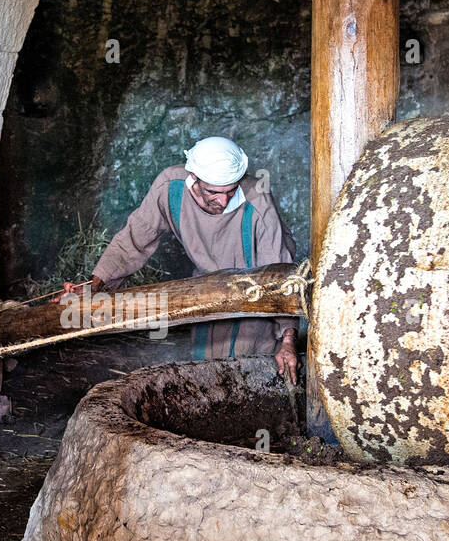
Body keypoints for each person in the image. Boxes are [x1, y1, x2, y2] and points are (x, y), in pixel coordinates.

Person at [60, 136, 298, 381]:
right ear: (194, 179)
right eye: (214, 192)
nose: (224, 200)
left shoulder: (258, 202)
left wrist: (288, 339)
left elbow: (280, 276)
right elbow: (134, 238)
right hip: (206, 288)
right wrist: (94, 286)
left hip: (255, 296)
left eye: (231, 190)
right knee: (204, 370)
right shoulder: (169, 187)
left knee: (247, 370)